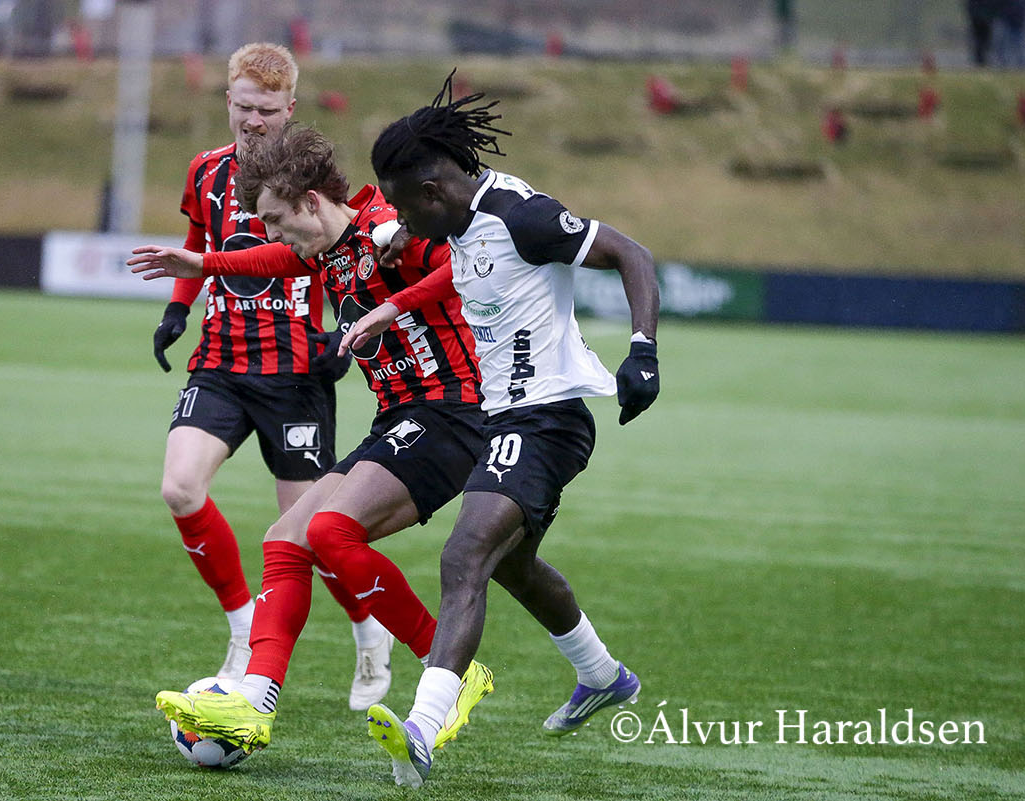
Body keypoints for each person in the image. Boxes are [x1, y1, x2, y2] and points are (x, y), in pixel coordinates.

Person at [128, 123, 495, 755]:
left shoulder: (390, 230)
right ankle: (253, 704)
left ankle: (447, 669)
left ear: (311, 202)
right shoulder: (327, 246)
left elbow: (466, 271)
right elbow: (279, 259)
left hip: (455, 411)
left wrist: (394, 305)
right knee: (286, 539)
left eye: (276, 219)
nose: (272, 234)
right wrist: (204, 264)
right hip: (400, 418)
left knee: (329, 532)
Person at [342, 73, 661, 787]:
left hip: (547, 418)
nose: (398, 220)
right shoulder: (452, 216)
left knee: (465, 555)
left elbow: (632, 254)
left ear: (433, 190)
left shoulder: (523, 217)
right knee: (511, 564)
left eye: (402, 206)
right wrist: (400, 234)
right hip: (502, 417)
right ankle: (602, 674)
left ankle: (422, 728)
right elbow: (438, 237)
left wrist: (642, 351)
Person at [150, 42, 386, 705]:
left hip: (296, 374)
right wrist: (177, 309)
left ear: (291, 108)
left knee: (311, 533)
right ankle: (240, 625)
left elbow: (347, 250)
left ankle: (370, 630)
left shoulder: (313, 179)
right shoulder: (204, 171)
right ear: (228, 100)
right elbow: (197, 244)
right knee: (179, 487)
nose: (254, 121)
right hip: (221, 363)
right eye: (245, 107)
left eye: (269, 110)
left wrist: (346, 332)